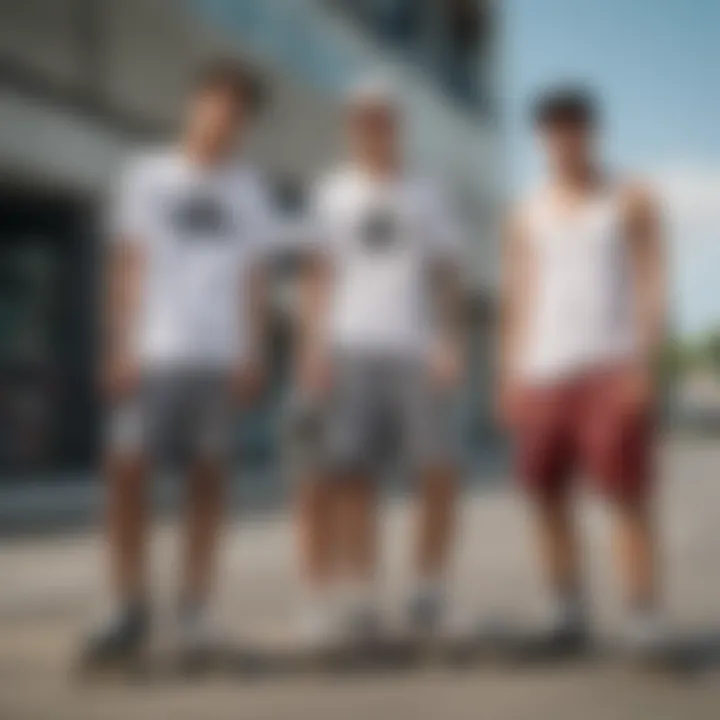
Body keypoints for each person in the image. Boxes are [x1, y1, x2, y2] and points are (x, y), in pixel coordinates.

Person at [85, 59, 273, 664]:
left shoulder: (249, 189)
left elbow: (254, 278)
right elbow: (128, 264)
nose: (225, 116)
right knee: (126, 477)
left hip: (217, 356)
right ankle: (128, 605)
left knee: (208, 483)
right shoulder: (148, 176)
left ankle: (195, 610)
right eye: (216, 101)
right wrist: (119, 345)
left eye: (238, 109)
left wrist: (252, 350)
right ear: (194, 104)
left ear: (246, 122)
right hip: (153, 352)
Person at [292, 76, 466, 646]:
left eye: (383, 118)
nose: (373, 129)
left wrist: (449, 339)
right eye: (362, 119)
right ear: (350, 126)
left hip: (415, 347)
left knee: (439, 468)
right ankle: (361, 596)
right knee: (351, 476)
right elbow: (319, 275)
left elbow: (445, 273)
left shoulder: (427, 192)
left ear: (398, 124)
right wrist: (313, 347)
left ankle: (428, 589)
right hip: (349, 343)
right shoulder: (331, 193)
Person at [500, 87, 667, 658]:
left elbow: (653, 281)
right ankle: (565, 610)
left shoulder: (630, 197)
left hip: (609, 364)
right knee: (545, 494)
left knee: (625, 494)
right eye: (553, 129)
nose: (564, 139)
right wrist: (511, 371)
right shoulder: (528, 210)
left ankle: (643, 616)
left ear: (593, 132)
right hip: (543, 369)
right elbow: (521, 295)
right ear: (542, 139)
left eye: (574, 127)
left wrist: (645, 362)